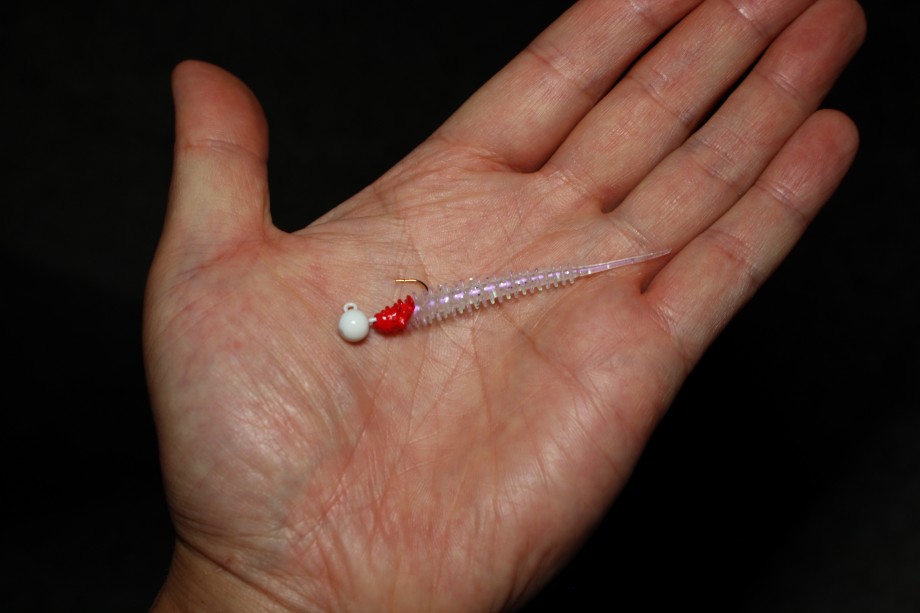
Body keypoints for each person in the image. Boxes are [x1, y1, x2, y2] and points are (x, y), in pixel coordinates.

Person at [144, 0, 865, 609]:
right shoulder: (398, 318)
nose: (377, 318)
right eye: (375, 319)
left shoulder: (398, 316)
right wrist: (260, 583)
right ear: (382, 319)